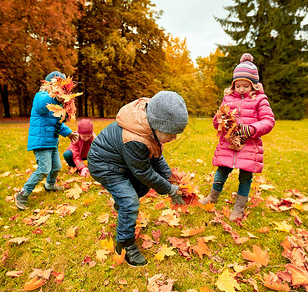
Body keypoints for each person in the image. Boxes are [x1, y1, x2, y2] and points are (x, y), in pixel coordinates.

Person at [87, 91, 189, 267]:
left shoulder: (149, 129)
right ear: (158, 126)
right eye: (171, 133)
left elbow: (156, 157)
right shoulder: (135, 139)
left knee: (141, 188)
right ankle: (125, 245)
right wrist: (167, 189)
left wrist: (168, 177)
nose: (174, 138)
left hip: (122, 163)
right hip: (105, 166)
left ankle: (123, 208)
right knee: (130, 201)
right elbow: (144, 173)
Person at [200, 53, 275, 221]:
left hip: (248, 145)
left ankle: (239, 208)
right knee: (221, 171)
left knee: (245, 177)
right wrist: (220, 120)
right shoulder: (227, 99)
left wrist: (251, 129)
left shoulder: (260, 100)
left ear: (254, 85)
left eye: (245, 86)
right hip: (228, 143)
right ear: (233, 85)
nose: (241, 89)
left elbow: (268, 121)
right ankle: (212, 197)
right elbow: (216, 121)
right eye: (238, 85)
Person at [14, 71, 79, 210]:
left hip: (51, 142)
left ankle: (49, 185)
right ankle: (22, 194)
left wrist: (68, 134)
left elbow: (56, 122)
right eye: (58, 86)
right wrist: (56, 98)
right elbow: (42, 106)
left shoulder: (57, 105)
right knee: (44, 169)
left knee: (56, 167)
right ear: (50, 85)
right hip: (40, 140)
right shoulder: (41, 97)